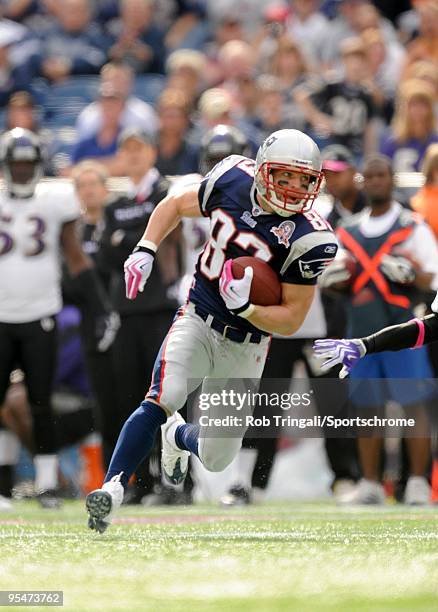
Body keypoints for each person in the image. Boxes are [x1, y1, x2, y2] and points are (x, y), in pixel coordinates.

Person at [85, 128, 338, 532]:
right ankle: (112, 488)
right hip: (199, 316)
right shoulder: (231, 179)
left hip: (248, 344)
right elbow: (175, 204)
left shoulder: (311, 237)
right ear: (260, 170)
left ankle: (179, 437)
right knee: (163, 394)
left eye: (303, 180)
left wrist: (250, 307)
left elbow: (291, 317)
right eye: (284, 176)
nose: (293, 188)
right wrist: (145, 249)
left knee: (218, 456)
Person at [0, 128, 117, 506]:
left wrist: (101, 306)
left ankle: (48, 483)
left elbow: (76, 258)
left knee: (40, 399)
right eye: (15, 165)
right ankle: (2, 486)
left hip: (41, 313)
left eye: (26, 165)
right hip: (2, 315)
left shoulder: (55, 200)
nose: (20, 172)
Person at [314, 154, 438, 505]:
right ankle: (369, 483)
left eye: (381, 175)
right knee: (367, 407)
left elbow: (432, 273)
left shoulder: (411, 225)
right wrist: (336, 279)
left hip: (403, 327)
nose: (376, 181)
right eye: (370, 176)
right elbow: (330, 276)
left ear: (391, 179)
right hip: (360, 328)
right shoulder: (348, 230)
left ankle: (416, 482)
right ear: (362, 182)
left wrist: (410, 274)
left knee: (413, 406)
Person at [96, 127, 182, 504]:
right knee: (132, 397)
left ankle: (177, 484)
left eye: (138, 148)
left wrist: (127, 238)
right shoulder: (117, 203)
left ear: (151, 151)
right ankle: (137, 483)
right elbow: (107, 254)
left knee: (170, 395)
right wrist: (132, 237)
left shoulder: (166, 192)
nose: (131, 155)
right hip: (128, 310)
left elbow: (154, 237)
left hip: (162, 307)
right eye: (125, 149)